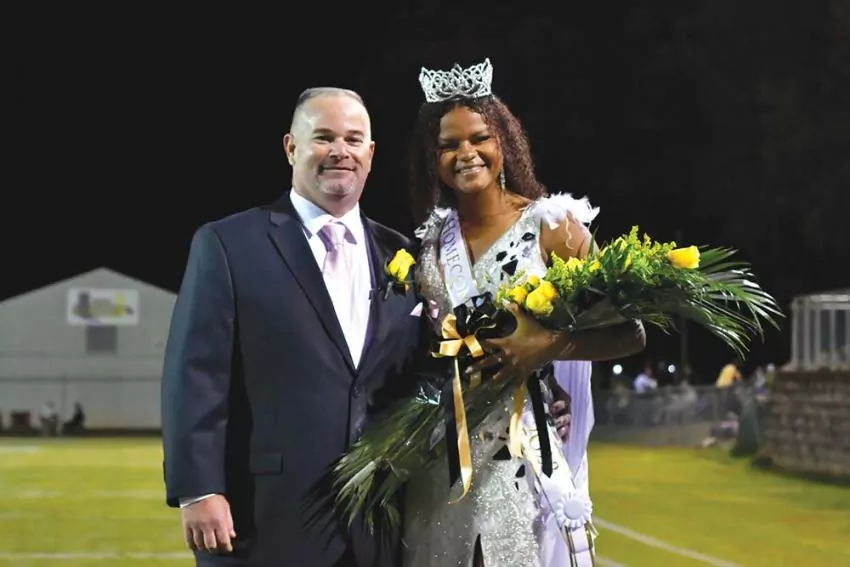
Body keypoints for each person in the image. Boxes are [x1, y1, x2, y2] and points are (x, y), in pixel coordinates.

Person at [160, 87, 423, 567]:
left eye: (353, 139)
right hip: (263, 520)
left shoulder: (403, 254)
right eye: (323, 137)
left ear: (370, 153)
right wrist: (199, 489)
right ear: (291, 147)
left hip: (376, 525)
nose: (340, 151)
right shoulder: (229, 244)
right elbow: (195, 374)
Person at [402, 58, 646, 566]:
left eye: (479, 138)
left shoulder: (553, 227)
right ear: (432, 156)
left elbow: (631, 332)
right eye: (449, 145)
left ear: (504, 142)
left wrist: (548, 346)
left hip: (523, 456)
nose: (466, 154)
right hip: (440, 460)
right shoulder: (429, 246)